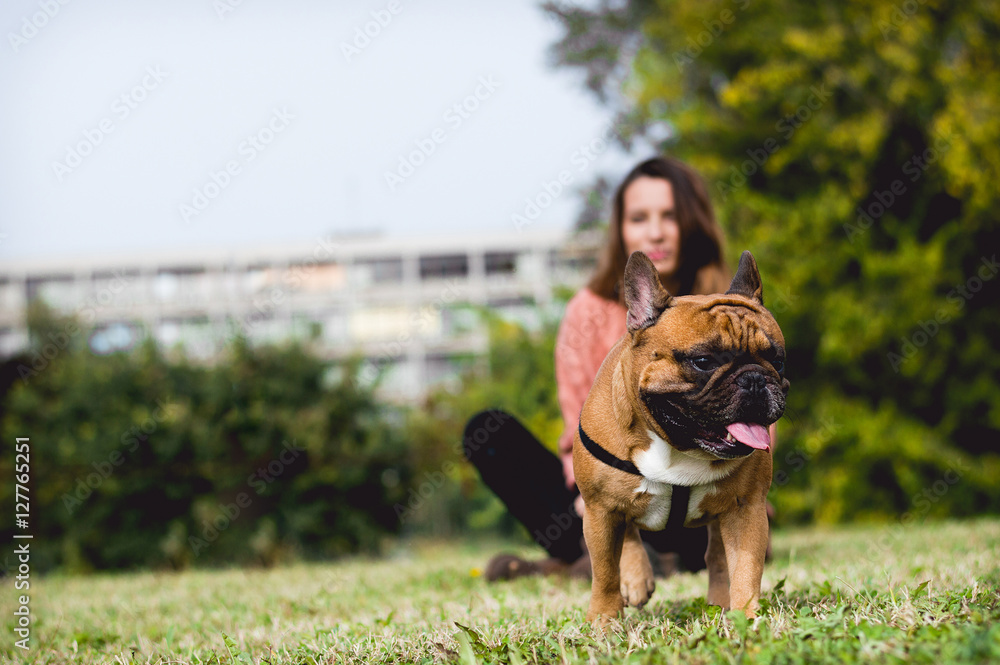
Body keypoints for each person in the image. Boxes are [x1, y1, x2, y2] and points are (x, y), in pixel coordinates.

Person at [463, 156, 774, 581]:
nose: (655, 231)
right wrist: (590, 481)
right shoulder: (588, 312)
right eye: (639, 217)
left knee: (718, 513)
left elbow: (755, 423)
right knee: (490, 431)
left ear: (694, 223)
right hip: (618, 487)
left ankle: (586, 563)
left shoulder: (735, 308)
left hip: (706, 494)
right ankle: (610, 551)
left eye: (670, 216)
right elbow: (579, 419)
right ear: (620, 228)